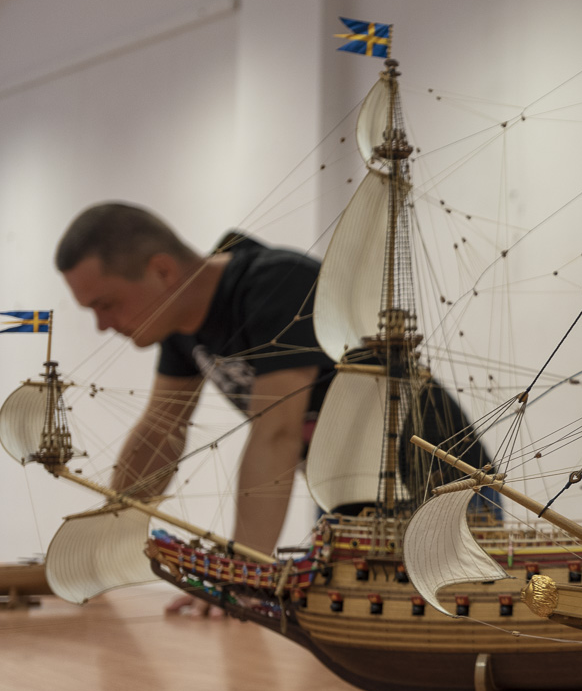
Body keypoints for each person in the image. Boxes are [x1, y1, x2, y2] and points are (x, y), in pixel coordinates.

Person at [55, 202, 488, 616]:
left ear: (162, 271)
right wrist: (103, 546)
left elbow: (277, 433)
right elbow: (160, 429)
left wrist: (241, 575)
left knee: (455, 627)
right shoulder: (179, 325)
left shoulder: (276, 283)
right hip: (347, 492)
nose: (102, 325)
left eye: (105, 304)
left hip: (440, 483)